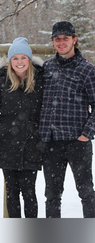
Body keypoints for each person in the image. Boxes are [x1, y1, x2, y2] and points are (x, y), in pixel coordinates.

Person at [39, 21, 95, 218]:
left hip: (77, 142)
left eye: (65, 38)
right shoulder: (46, 68)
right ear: (53, 42)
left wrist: (86, 134)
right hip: (51, 142)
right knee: (52, 195)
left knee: (86, 192)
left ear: (74, 40)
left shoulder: (87, 69)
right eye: (57, 39)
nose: (61, 42)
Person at [0, 37, 44, 218]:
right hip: (7, 145)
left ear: (29, 60)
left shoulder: (40, 82)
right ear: (10, 61)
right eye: (15, 58)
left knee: (29, 191)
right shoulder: (0, 83)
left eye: (23, 58)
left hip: (32, 145)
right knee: (11, 191)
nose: (19, 62)